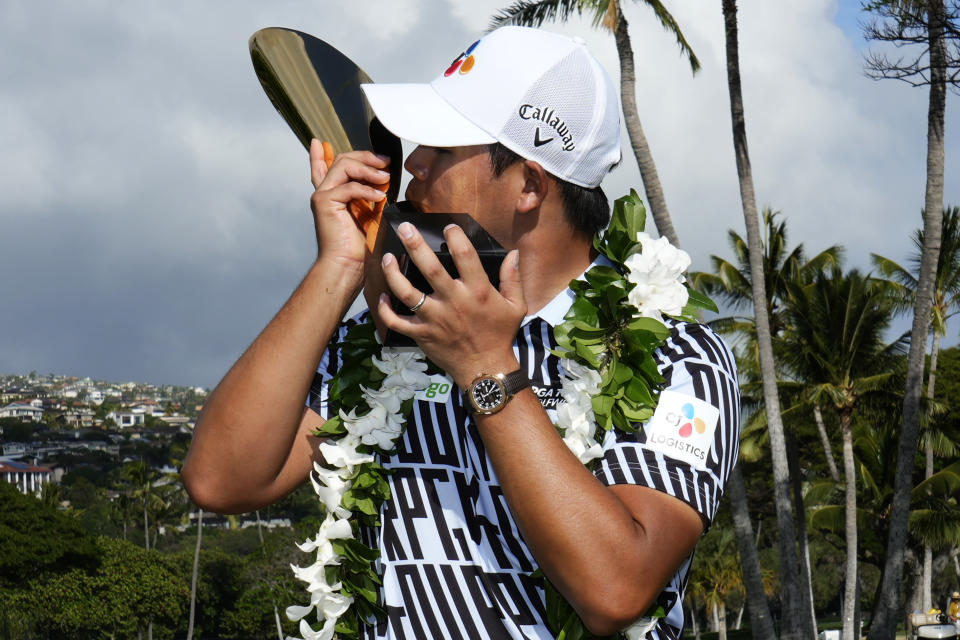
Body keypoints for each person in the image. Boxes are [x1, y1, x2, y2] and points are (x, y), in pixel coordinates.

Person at [183, 26, 739, 639]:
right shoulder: (393, 330)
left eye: (443, 149)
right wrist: (340, 265)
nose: (412, 164)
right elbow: (221, 481)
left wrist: (484, 367)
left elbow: (617, 590)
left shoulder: (676, 356)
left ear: (529, 184)